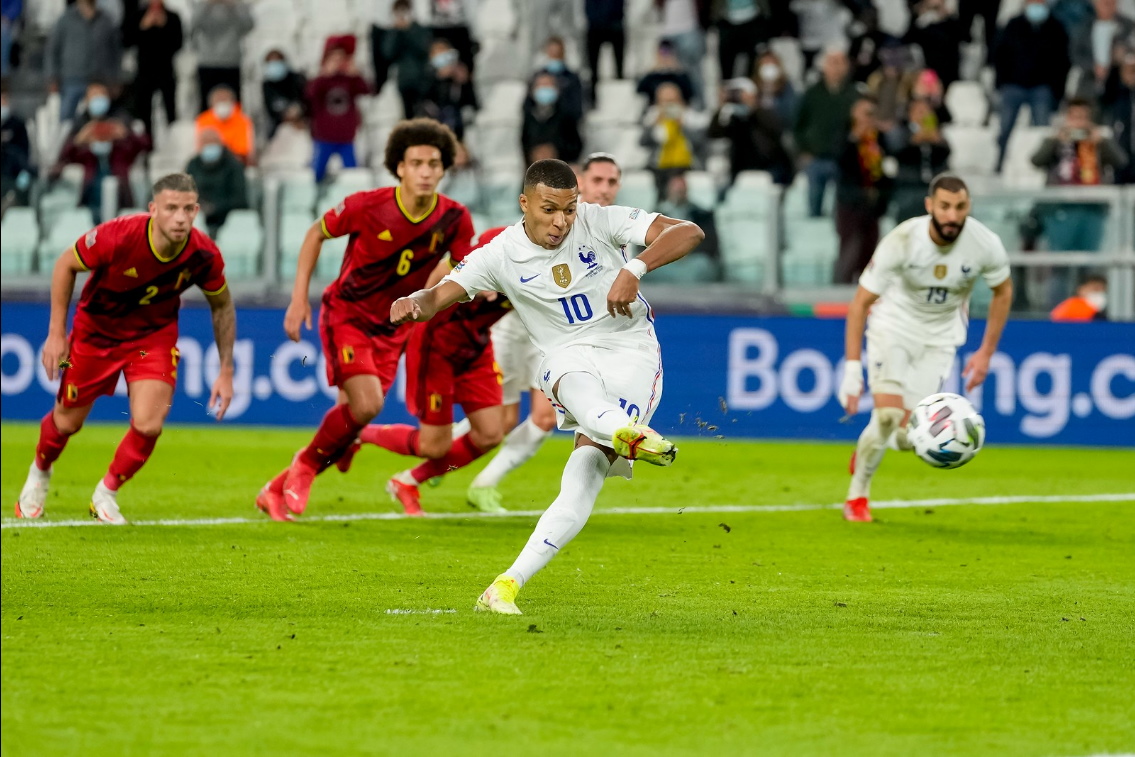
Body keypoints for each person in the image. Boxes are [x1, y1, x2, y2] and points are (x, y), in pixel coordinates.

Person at [388, 158, 704, 614]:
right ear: (525, 203)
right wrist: (413, 301)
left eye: (569, 209)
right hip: (567, 353)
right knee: (569, 378)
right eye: (550, 209)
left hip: (631, 351)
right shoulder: (500, 253)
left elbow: (689, 230)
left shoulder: (598, 219)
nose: (561, 221)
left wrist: (634, 267)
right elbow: (439, 294)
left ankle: (506, 584)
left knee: (585, 476)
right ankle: (622, 429)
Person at [256, 119, 474, 521]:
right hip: (348, 314)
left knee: (349, 426)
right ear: (400, 167)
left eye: (434, 163)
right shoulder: (366, 205)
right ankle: (303, 465)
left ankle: (273, 489)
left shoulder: (455, 218)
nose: (426, 171)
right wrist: (298, 298)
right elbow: (314, 234)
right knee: (368, 404)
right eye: (416, 163)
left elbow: (462, 267)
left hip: (394, 328)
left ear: (444, 168)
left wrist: (425, 296)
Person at [14, 173, 235, 525]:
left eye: (188, 209)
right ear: (153, 209)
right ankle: (39, 473)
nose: (180, 217)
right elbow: (65, 265)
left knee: (149, 424)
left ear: (197, 211)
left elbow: (222, 305)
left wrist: (226, 369)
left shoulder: (204, 255)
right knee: (66, 422)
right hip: (96, 334)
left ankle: (106, 493)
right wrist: (56, 333)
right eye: (171, 208)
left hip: (152, 339)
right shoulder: (118, 236)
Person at [838, 173, 1013, 523]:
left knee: (906, 438)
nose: (952, 215)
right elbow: (859, 304)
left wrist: (985, 354)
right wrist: (852, 369)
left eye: (960, 207)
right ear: (930, 206)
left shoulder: (984, 243)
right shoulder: (903, 239)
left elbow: (1003, 292)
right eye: (945, 207)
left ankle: (868, 446)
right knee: (885, 416)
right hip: (893, 329)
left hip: (941, 339)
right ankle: (857, 496)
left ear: (968, 207)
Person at [458, 152, 624, 512]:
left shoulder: (614, 227)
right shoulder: (542, 222)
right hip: (511, 328)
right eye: (597, 181)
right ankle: (441, 455)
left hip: (559, 340)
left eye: (612, 182)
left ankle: (484, 483)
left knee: (546, 417)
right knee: (496, 422)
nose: (605, 189)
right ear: (580, 182)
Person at [356, 227, 510, 514]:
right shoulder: (500, 240)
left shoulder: (554, 260)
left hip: (476, 347)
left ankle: (407, 481)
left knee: (490, 434)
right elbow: (439, 276)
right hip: (436, 346)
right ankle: (359, 433)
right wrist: (473, 284)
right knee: (433, 446)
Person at [1030, 97, 1128, 253]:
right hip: (1060, 209)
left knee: (1089, 262)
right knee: (1060, 263)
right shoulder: (1055, 140)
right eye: (1074, 117)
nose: (1078, 123)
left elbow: (1121, 161)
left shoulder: (1097, 141)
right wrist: (1055, 140)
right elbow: (1036, 161)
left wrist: (1102, 141)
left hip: (1092, 208)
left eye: (1083, 118)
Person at [993, 0, 1071, 172]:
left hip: (1041, 87)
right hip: (1013, 85)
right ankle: (999, 163)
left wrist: (1057, 91)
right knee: (1005, 128)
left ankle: (1043, 166)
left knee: (1042, 131)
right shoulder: (1013, 24)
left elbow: (1062, 62)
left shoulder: (1056, 27)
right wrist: (1001, 82)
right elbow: (1000, 55)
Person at [54, 82, 151, 219]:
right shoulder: (79, 124)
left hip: (119, 178)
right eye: (94, 95)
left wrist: (126, 134)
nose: (98, 99)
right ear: (86, 101)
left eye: (102, 95)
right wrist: (80, 139)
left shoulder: (122, 118)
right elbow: (63, 156)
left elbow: (146, 145)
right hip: (90, 180)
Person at [794, 47, 859, 217]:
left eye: (840, 62)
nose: (836, 67)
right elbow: (798, 125)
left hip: (844, 160)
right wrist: (804, 150)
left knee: (843, 208)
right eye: (832, 62)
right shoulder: (811, 93)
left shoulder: (855, 94)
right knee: (814, 207)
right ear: (824, 66)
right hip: (816, 157)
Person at [833, 97, 892, 283]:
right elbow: (839, 161)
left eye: (871, 114)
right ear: (854, 114)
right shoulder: (844, 135)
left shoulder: (879, 139)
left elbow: (887, 168)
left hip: (872, 204)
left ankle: (866, 291)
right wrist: (855, 137)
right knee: (850, 248)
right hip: (849, 202)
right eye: (865, 113)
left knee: (870, 249)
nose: (868, 118)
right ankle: (841, 287)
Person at [709, 76, 795, 186]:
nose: (737, 97)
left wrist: (752, 107)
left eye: (739, 93)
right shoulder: (731, 117)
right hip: (742, 166)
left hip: (769, 165)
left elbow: (776, 130)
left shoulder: (764, 112)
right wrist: (721, 107)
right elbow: (713, 133)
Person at [45, 0, 122, 121]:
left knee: (102, 119)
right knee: (67, 119)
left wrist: (115, 78)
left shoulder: (106, 20)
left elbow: (116, 52)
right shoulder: (66, 19)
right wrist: (53, 76)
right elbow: (52, 50)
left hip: (100, 81)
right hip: (72, 79)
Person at [307, 37, 370, 183]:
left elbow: (366, 90)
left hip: (346, 137)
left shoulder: (349, 80)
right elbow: (310, 95)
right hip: (324, 136)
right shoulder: (321, 81)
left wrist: (356, 74)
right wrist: (324, 75)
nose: (337, 62)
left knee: (353, 174)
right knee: (316, 173)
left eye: (340, 59)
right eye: (333, 59)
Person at [887, 98, 951, 223]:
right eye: (919, 111)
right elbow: (896, 153)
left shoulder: (938, 134)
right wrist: (914, 141)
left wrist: (937, 142)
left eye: (927, 111)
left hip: (933, 189)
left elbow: (945, 155)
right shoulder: (902, 132)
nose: (923, 115)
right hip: (909, 189)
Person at [123, 0, 182, 136]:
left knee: (170, 110)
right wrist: (143, 26)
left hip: (166, 71)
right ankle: (147, 144)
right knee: (144, 112)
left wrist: (165, 26)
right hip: (144, 71)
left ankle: (173, 141)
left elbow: (178, 44)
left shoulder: (172, 17)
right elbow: (127, 41)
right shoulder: (137, 15)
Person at [641, 81, 709, 192]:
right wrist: (654, 125)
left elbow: (700, 143)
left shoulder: (690, 117)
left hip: (686, 165)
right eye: (665, 101)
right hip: (659, 166)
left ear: (680, 100)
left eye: (672, 101)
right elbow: (642, 143)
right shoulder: (652, 117)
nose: (669, 106)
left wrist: (683, 126)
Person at [190, 0, 253, 114]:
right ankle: (206, 129)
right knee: (206, 103)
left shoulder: (237, 5)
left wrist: (235, 5)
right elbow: (194, 24)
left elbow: (248, 25)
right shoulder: (203, 5)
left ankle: (235, 129)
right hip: (207, 62)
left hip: (231, 62)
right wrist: (207, 4)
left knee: (234, 103)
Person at [185, 128, 248, 234]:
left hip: (229, 217)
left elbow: (239, 198)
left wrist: (215, 208)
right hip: (199, 216)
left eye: (213, 143)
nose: (210, 148)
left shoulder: (233, 165)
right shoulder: (193, 165)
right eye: (206, 144)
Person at [1070, 0, 1135, 99]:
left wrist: (1124, 57)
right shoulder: (1084, 27)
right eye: (1103, 2)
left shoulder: (1128, 25)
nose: (1107, 5)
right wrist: (1092, 66)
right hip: (1089, 81)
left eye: (1111, 2)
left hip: (1119, 85)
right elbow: (1075, 53)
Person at [418, 39, 477, 141]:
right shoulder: (425, 75)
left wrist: (462, 81)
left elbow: (469, 100)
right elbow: (423, 98)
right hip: (434, 121)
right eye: (438, 53)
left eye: (444, 52)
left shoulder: (459, 72)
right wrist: (439, 77)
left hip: (458, 123)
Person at [657, 171, 719, 265]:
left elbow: (710, 243)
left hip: (693, 259)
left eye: (682, 190)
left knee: (702, 264)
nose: (679, 193)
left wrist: (686, 252)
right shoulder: (656, 215)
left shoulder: (702, 215)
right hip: (665, 261)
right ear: (668, 190)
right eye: (676, 189)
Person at [521, 72, 583, 165]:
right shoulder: (527, 115)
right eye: (541, 85)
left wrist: (555, 151)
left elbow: (575, 144)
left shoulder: (567, 115)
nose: (545, 88)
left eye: (548, 85)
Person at [384, 0, 432, 120]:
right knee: (409, 116)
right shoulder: (393, 32)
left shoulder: (420, 29)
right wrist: (396, 32)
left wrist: (408, 30)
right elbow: (388, 54)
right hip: (404, 81)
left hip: (423, 80)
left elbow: (424, 49)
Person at [194, 85, 254, 166]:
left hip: (234, 163)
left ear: (233, 102)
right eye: (219, 100)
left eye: (225, 100)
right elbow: (199, 149)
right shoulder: (203, 120)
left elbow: (243, 152)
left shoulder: (243, 121)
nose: (222, 104)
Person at [532, 36, 584, 121]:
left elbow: (577, 107)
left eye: (557, 52)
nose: (554, 55)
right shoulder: (537, 77)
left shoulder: (572, 78)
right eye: (551, 52)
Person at [635, 39, 695, 108]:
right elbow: (639, 90)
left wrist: (676, 69)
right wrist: (652, 70)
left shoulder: (681, 76)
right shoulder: (652, 77)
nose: (665, 57)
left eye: (668, 53)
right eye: (662, 53)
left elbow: (690, 93)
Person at [585, 0, 626, 100]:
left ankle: (620, 78)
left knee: (619, 59)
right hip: (595, 26)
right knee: (593, 66)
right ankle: (593, 89)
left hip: (615, 24)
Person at [261, 50, 307, 138]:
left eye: (277, 61)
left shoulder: (297, 79)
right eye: (271, 62)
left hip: (301, 126)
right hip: (279, 129)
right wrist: (284, 118)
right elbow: (270, 109)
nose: (274, 65)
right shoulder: (267, 85)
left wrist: (298, 115)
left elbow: (306, 101)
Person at [1, 86, 33, 205]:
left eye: (3, 100)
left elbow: (25, 149)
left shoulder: (17, 124)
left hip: (14, 173)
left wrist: (24, 170)